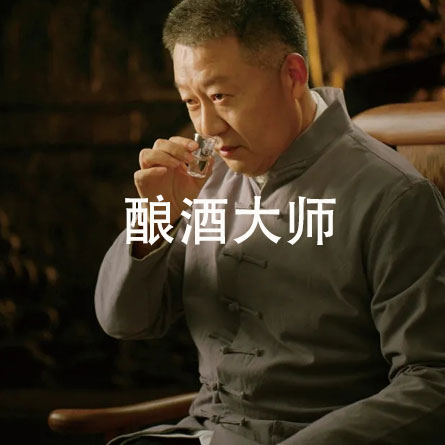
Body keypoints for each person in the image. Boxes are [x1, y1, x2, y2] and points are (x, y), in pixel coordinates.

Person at [95, 0, 445, 444]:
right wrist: (155, 216)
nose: (207, 127)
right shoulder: (202, 177)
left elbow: (432, 380)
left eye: (220, 97)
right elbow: (125, 322)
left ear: (293, 76)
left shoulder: (394, 196)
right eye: (191, 101)